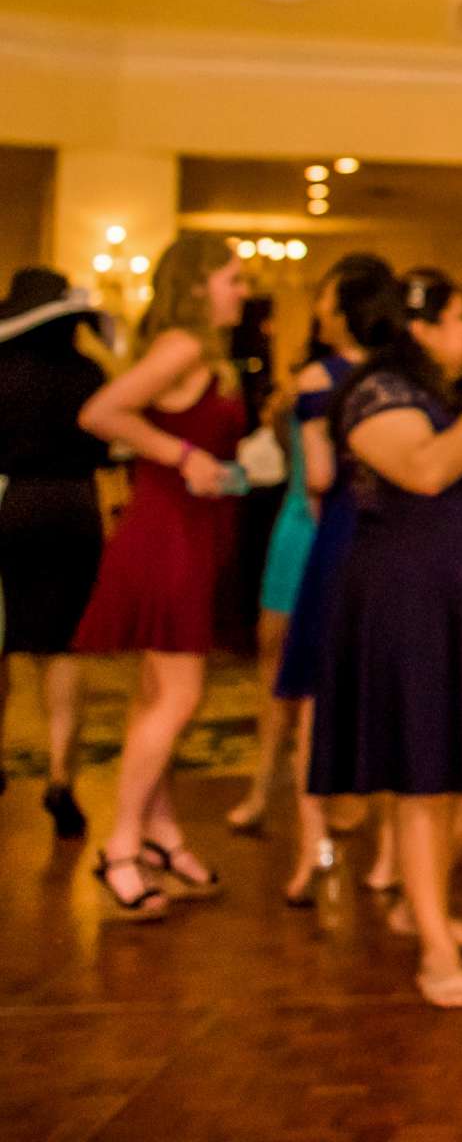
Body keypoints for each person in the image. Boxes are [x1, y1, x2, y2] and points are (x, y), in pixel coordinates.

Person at [308, 268, 462, 1007]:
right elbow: (423, 471)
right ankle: (435, 946)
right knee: (425, 780)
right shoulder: (376, 394)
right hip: (410, 600)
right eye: (457, 320)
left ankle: (419, 900)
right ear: (418, 328)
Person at [73, 233, 251, 919]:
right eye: (233, 278)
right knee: (178, 697)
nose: (242, 289)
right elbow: (100, 414)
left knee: (157, 698)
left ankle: (159, 831)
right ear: (200, 283)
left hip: (186, 530)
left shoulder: (199, 353)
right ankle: (118, 845)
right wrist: (181, 454)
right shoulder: (180, 345)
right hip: (168, 534)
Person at [270, 254, 395, 904]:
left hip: (343, 532)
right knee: (390, 693)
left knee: (318, 699)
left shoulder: (320, 376)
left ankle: (312, 847)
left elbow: (317, 477)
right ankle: (391, 858)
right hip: (395, 537)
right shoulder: (401, 373)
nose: (319, 310)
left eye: (324, 299)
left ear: (344, 308)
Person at [0, 270, 109, 840]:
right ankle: (61, 775)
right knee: (63, 648)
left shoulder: (1, 372)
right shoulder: (87, 373)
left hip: (8, 500)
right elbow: (106, 448)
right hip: (74, 506)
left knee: (0, 641)